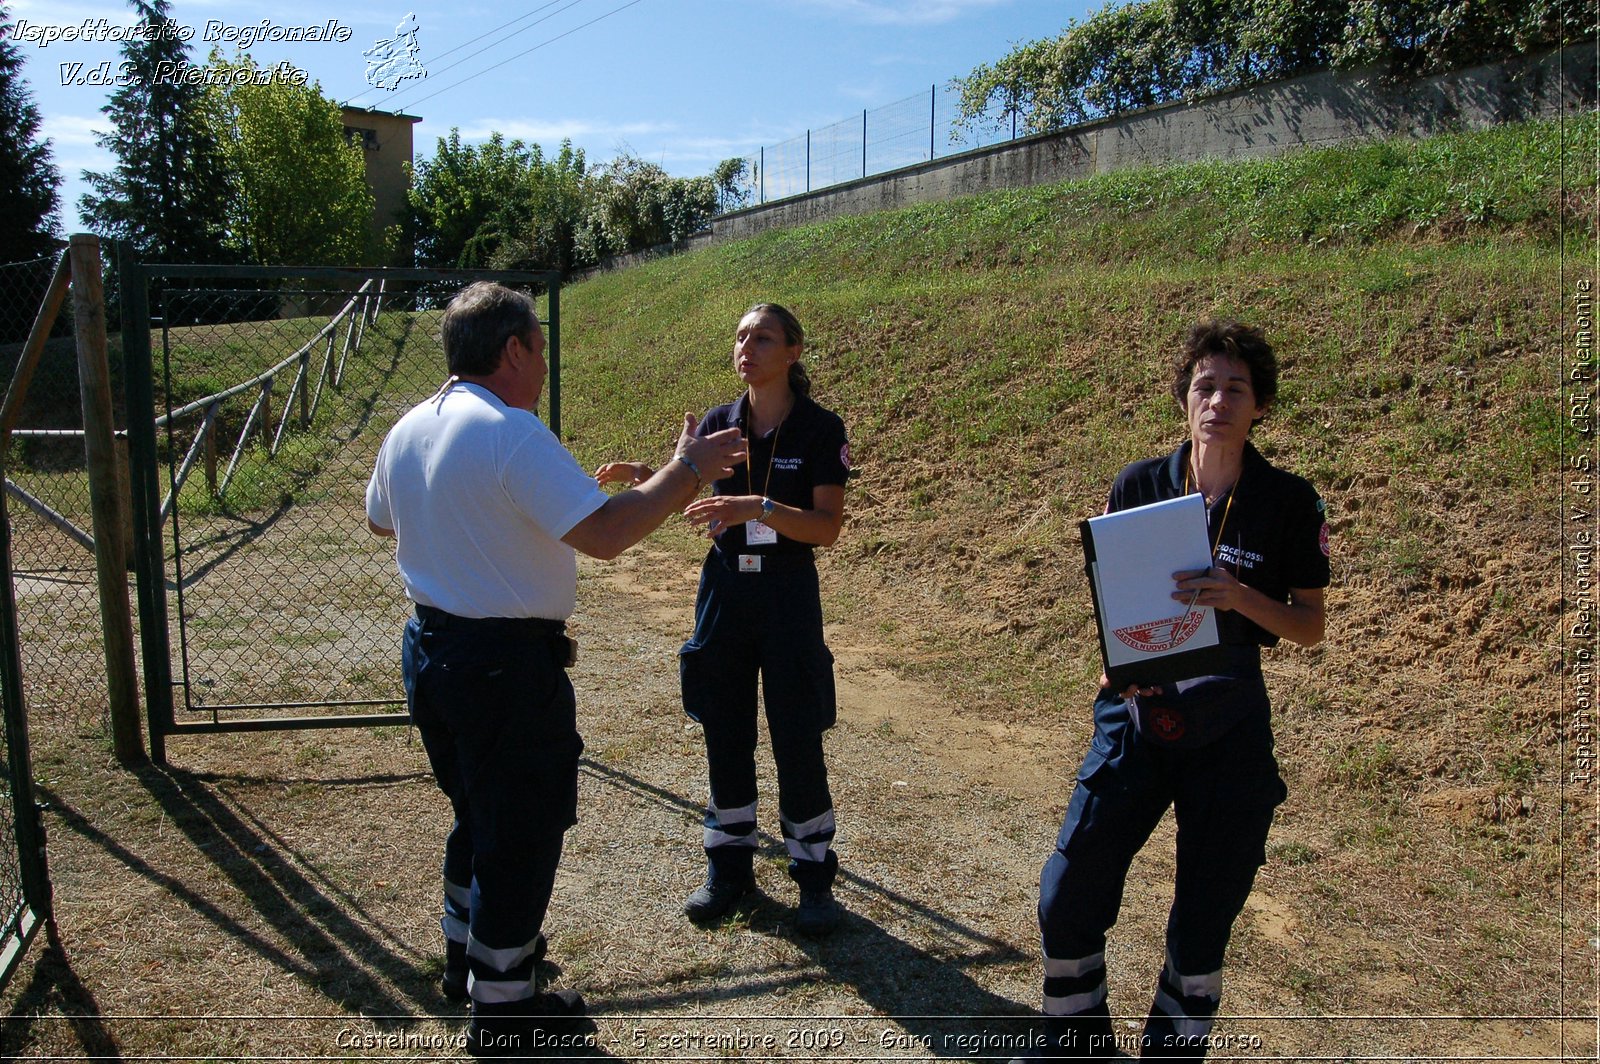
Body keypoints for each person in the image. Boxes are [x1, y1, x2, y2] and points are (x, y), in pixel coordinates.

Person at [365, 281, 745, 1058]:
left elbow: (380, 518)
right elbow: (608, 534)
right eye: (538, 348)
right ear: (512, 350)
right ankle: (505, 1013)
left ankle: (467, 965)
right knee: (522, 832)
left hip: (433, 653)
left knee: (478, 814)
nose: (542, 363)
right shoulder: (510, 431)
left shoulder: (410, 427)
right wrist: (688, 469)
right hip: (502, 669)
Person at [1014, 319, 1329, 1063]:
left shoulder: (1288, 500)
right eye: (1204, 386)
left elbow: (1309, 626)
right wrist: (1115, 663)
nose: (1217, 400)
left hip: (1228, 720)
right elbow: (1119, 590)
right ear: (1184, 400)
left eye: (1235, 389)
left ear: (1260, 407)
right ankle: (1076, 1045)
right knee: (1068, 893)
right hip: (1137, 707)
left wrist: (1237, 596)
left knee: (1202, 921)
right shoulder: (1140, 483)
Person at [597, 303, 850, 937]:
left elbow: (826, 527)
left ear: (792, 351)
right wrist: (643, 475)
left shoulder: (821, 429)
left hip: (788, 594)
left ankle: (814, 880)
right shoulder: (718, 424)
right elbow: (685, 482)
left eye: (763, 337)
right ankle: (729, 869)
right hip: (725, 592)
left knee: (797, 732)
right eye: (741, 337)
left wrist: (758, 505)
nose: (748, 347)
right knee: (724, 728)